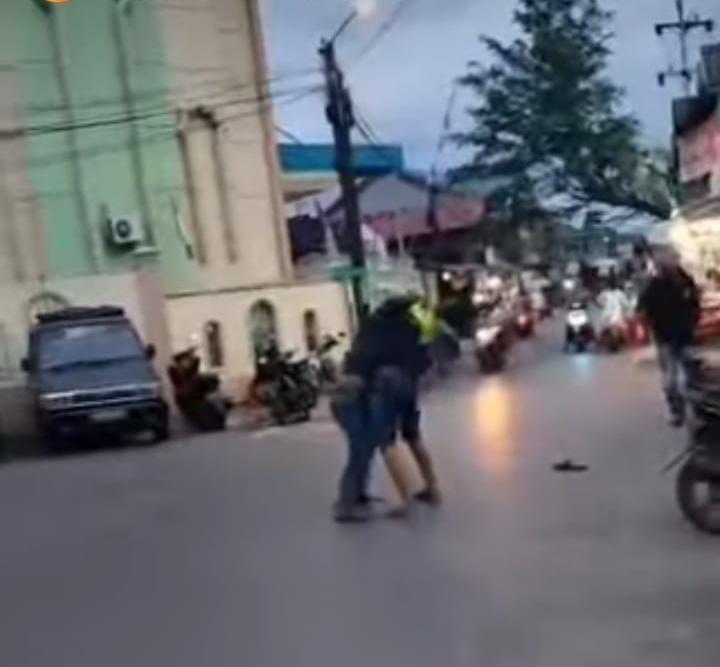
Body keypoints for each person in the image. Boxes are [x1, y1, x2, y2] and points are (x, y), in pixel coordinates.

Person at [332, 295, 442, 522]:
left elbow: (364, 359)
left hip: (386, 383)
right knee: (413, 437)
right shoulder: (413, 325)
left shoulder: (374, 327)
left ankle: (403, 500)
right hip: (409, 383)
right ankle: (432, 489)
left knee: (386, 441)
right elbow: (427, 354)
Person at [638, 249, 700, 426]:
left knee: (693, 378)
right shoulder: (653, 286)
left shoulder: (685, 281)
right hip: (664, 338)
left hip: (686, 336)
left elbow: (695, 303)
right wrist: (649, 324)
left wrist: (692, 321)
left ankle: (698, 412)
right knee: (670, 382)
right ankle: (677, 412)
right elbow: (642, 309)